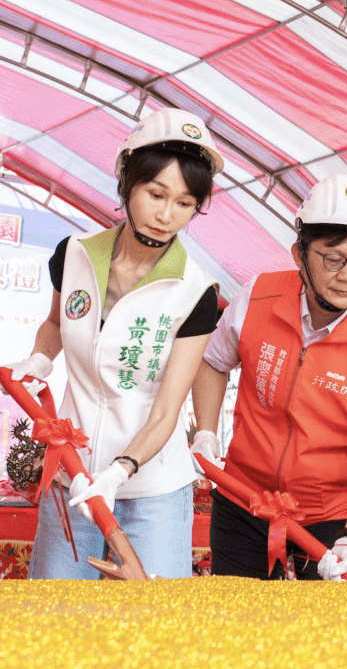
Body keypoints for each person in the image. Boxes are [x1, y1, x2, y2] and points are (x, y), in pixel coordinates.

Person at [1, 108, 222, 579]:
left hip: (152, 490)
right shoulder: (75, 254)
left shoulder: (196, 292)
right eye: (155, 194)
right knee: (57, 622)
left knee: (151, 635)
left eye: (184, 203)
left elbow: (166, 411)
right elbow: (57, 324)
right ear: (126, 182)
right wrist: (41, 357)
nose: (167, 215)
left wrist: (119, 472)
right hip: (72, 474)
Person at [191, 173, 347, 581]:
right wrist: (205, 431)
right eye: (334, 259)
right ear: (299, 254)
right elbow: (212, 362)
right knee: (233, 626)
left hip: (330, 516)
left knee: (323, 638)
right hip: (244, 500)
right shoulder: (258, 296)